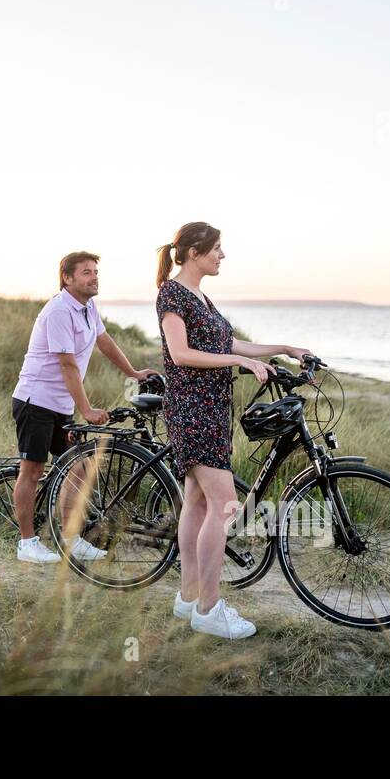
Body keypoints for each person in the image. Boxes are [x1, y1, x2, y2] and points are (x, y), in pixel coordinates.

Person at [155, 222, 312, 638]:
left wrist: (283, 349)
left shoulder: (202, 298)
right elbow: (181, 353)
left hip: (211, 410)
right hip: (191, 410)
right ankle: (209, 608)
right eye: (217, 249)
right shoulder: (172, 294)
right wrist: (240, 364)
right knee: (224, 504)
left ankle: (188, 599)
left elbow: (231, 344)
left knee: (198, 504)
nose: (222, 256)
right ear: (193, 252)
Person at [10, 251, 160, 564]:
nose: (94, 277)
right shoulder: (59, 311)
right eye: (86, 272)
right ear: (67, 278)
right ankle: (27, 543)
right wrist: (88, 409)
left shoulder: (88, 308)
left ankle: (70, 538)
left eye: (95, 272)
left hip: (60, 406)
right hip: (35, 402)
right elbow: (67, 365)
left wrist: (132, 372)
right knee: (33, 470)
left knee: (76, 468)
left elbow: (104, 342)